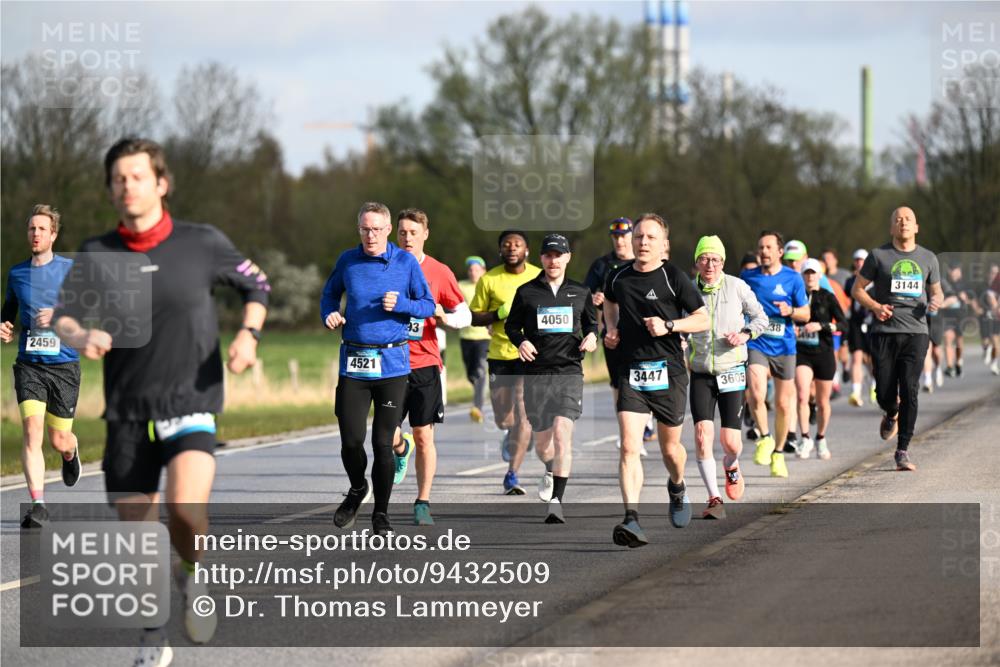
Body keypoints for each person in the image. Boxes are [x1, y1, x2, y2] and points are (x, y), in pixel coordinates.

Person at [52, 137, 270, 661]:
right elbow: (62, 316)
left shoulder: (202, 242)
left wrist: (248, 335)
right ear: (110, 190)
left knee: (185, 511)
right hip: (128, 410)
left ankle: (191, 573)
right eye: (118, 179)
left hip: (191, 398)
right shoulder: (97, 253)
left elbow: (257, 285)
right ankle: (153, 637)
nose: (128, 186)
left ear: (161, 183)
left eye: (137, 176)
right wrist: (79, 336)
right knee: (138, 534)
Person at [321, 202, 435, 533]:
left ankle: (381, 514)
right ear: (358, 229)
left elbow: (427, 305)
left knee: (383, 443)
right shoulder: (348, 260)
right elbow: (329, 295)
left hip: (392, 366)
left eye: (376, 229)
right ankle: (358, 488)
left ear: (388, 230)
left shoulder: (405, 262)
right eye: (364, 229)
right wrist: (329, 313)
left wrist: (402, 304)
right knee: (351, 441)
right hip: (354, 364)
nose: (370, 235)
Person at [603, 214, 709, 547]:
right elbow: (609, 302)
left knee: (670, 450)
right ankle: (631, 518)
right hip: (631, 371)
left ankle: (677, 485)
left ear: (664, 244)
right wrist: (611, 328)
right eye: (638, 236)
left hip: (669, 372)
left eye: (650, 237)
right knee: (629, 446)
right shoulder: (617, 276)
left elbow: (702, 319)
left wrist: (669, 326)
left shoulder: (673, 277)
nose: (643, 242)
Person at [505, 233, 598, 523]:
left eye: (559, 255)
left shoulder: (580, 291)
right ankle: (549, 468)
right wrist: (521, 341)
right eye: (548, 255)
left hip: (569, 372)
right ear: (541, 258)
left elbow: (591, 324)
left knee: (561, 433)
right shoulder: (526, 292)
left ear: (568, 257)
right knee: (543, 445)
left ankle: (557, 501)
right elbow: (511, 326)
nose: (553, 260)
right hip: (537, 375)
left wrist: (592, 337)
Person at [1, 204, 82, 529]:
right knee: (31, 431)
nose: (35, 234)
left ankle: (70, 451)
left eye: (42, 229)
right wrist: (4, 326)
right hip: (30, 365)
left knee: (58, 439)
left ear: (53, 235)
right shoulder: (17, 273)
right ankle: (38, 505)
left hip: (64, 366)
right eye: (32, 228)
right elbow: (8, 310)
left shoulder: (69, 269)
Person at [390, 208, 470, 526]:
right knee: (387, 434)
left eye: (413, 232)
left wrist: (445, 318)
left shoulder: (439, 271)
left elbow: (464, 314)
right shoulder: (385, 266)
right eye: (402, 232)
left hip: (425, 363)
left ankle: (422, 502)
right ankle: (400, 448)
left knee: (424, 436)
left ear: (425, 234)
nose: (407, 238)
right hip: (390, 363)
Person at [851, 206, 943, 472]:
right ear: (892, 227)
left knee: (910, 389)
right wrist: (875, 307)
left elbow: (937, 292)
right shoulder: (878, 256)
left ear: (916, 227)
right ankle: (891, 412)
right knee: (884, 392)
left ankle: (902, 450)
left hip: (916, 332)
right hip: (884, 332)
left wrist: (936, 301)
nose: (903, 222)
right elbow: (857, 290)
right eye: (898, 219)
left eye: (908, 219)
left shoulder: (928, 258)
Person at [687, 236, 767, 519]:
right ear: (697, 262)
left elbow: (761, 318)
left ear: (722, 262)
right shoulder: (687, 289)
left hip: (732, 369)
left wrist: (745, 334)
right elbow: (680, 322)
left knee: (730, 442)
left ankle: (731, 465)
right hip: (701, 372)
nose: (710, 265)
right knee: (702, 436)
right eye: (704, 259)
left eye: (715, 259)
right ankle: (714, 498)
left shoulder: (737, 286)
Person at [469, 230, 542, 495]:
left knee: (524, 414)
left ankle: (512, 474)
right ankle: (512, 433)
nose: (512, 248)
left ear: (527, 250)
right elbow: (474, 317)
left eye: (517, 244)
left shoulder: (539, 276)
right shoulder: (489, 279)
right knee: (503, 419)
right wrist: (498, 314)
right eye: (507, 245)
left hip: (530, 353)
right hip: (500, 354)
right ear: (500, 250)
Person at [741, 231, 810, 478]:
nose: (764, 252)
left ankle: (778, 453)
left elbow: (805, 314)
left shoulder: (793, 278)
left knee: (782, 404)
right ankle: (765, 437)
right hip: (757, 342)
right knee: (756, 392)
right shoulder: (748, 277)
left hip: (784, 347)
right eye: (761, 247)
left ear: (780, 252)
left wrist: (790, 311)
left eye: (769, 247)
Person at [583, 217, 650, 455]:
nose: (620, 241)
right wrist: (593, 299)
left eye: (624, 236)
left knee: (644, 381)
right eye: (615, 237)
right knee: (619, 383)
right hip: (612, 333)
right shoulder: (602, 265)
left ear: (632, 236)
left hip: (643, 334)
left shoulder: (643, 261)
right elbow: (583, 294)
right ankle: (629, 435)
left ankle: (644, 423)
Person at [794, 258, 847, 460]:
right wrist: (793, 328)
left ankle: (821, 438)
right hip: (802, 352)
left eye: (813, 273)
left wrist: (822, 326)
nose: (810, 276)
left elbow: (844, 324)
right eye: (806, 273)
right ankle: (805, 437)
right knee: (802, 395)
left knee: (823, 401)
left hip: (824, 352)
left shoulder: (828, 296)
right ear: (802, 275)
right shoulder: (796, 296)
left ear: (819, 275)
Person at [458, 256, 491, 423]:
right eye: (471, 270)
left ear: (483, 271)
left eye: (477, 269)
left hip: (484, 336)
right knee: (471, 374)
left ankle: (477, 407)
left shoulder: (488, 285)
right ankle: (481, 389)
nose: (473, 272)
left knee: (480, 371)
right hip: (465, 336)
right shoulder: (460, 286)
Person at [845, 249, 878, 406]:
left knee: (872, 360)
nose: (859, 263)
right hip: (856, 324)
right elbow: (847, 295)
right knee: (857, 357)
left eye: (862, 260)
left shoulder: (877, 281)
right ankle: (856, 392)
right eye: (857, 260)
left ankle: (874, 385)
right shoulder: (850, 281)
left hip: (872, 323)